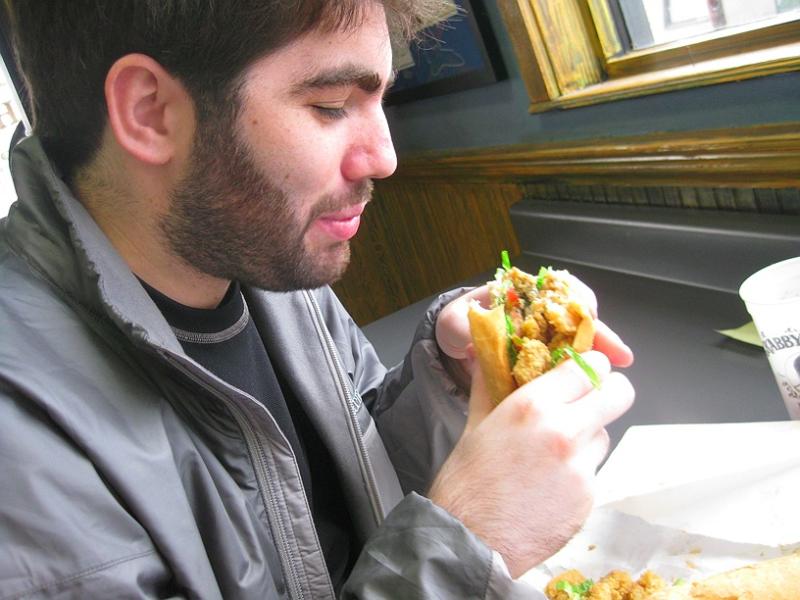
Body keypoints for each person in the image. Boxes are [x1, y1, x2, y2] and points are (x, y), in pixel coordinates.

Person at [0, 1, 635, 598]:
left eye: (382, 100)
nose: (384, 159)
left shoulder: (266, 267)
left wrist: (452, 382)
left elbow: (354, 486)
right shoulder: (19, 440)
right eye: (332, 105)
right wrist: (468, 546)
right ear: (149, 112)